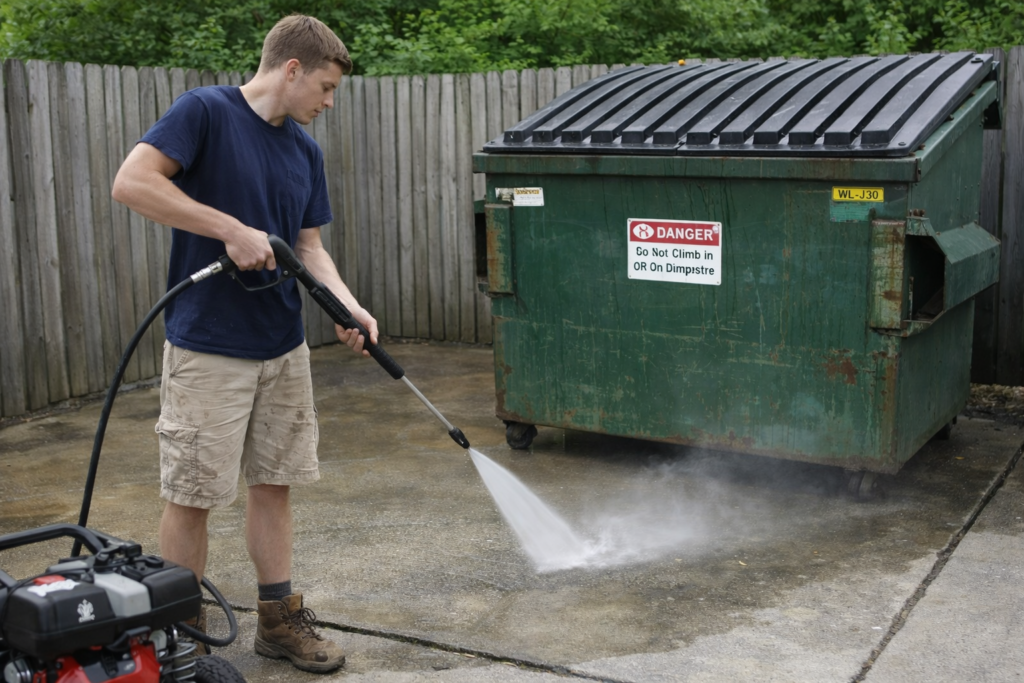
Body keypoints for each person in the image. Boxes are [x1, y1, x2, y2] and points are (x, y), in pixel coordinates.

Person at [111, 14, 373, 674]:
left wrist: (347, 305)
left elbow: (309, 246)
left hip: (282, 345)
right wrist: (228, 227)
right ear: (291, 69)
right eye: (326, 86)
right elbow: (133, 182)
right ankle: (181, 632)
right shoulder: (205, 112)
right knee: (193, 491)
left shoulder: (303, 151)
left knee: (275, 482)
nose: (328, 101)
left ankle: (279, 620)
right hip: (209, 344)